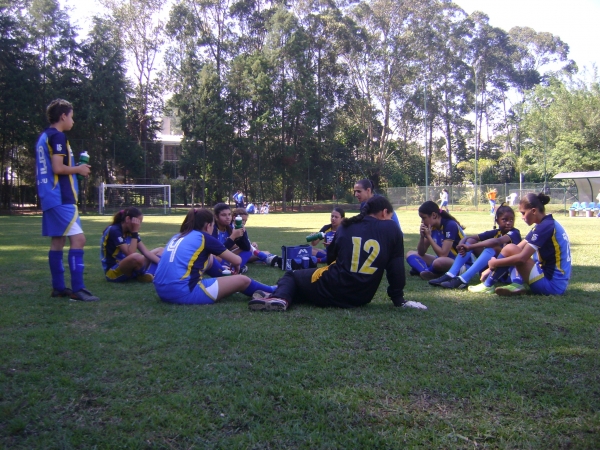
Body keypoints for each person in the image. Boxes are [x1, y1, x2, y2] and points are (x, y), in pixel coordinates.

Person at [248, 196, 427, 311]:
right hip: (362, 297)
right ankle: (278, 294)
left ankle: (279, 298)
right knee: (303, 287)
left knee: (292, 275)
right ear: (385, 212)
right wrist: (398, 299)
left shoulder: (346, 226)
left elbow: (331, 260)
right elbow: (396, 269)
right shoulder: (392, 228)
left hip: (335, 288)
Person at [35, 99, 99, 301]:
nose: (73, 120)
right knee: (79, 239)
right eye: (71, 116)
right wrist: (79, 169)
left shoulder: (44, 136)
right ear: (63, 116)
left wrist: (75, 170)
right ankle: (78, 289)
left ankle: (59, 288)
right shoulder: (58, 136)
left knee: (58, 240)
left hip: (49, 196)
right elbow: (58, 168)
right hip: (61, 196)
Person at [153, 208, 276, 305]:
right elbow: (237, 260)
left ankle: (226, 279)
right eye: (212, 225)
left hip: (161, 291)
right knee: (242, 280)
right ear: (208, 226)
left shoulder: (178, 236)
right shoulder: (204, 237)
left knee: (210, 258)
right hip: (183, 293)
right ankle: (273, 290)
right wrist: (236, 266)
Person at [470, 193, 571, 296]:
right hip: (554, 283)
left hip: (551, 287)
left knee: (511, 249)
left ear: (533, 211)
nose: (522, 217)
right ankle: (506, 284)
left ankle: (489, 285)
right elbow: (517, 248)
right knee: (510, 248)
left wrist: (495, 263)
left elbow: (522, 258)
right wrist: (490, 269)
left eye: (523, 213)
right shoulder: (547, 223)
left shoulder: (544, 227)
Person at [427, 204, 522, 289]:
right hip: (492, 267)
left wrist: (470, 247)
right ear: (497, 221)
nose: (509, 222)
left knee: (492, 247)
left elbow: (496, 241)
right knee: (471, 241)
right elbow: (471, 237)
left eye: (511, 219)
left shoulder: (514, 233)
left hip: (506, 272)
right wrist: (462, 242)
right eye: (505, 219)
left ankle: (463, 279)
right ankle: (451, 274)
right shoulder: (497, 232)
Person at [406, 200, 465, 280]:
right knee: (410, 253)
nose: (422, 221)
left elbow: (443, 254)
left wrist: (429, 237)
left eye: (424, 218)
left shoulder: (449, 225)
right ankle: (426, 272)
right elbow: (421, 252)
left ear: (434, 215)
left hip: (461, 263)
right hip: (443, 260)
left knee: (438, 262)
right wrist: (422, 237)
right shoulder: (432, 226)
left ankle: (428, 271)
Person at [100, 207, 164, 282]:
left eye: (139, 223)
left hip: (130, 266)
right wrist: (135, 233)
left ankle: (148, 274)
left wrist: (163, 264)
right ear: (127, 219)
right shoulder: (114, 230)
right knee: (136, 257)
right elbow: (130, 253)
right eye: (137, 222)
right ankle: (145, 274)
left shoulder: (131, 232)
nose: (138, 226)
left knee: (160, 250)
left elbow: (146, 252)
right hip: (113, 271)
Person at [211, 203, 252, 274]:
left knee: (249, 251)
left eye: (229, 214)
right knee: (214, 257)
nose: (228, 217)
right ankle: (233, 268)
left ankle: (231, 268)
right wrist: (233, 236)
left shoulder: (229, 228)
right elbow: (216, 251)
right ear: (216, 217)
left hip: (225, 256)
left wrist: (243, 232)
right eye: (224, 215)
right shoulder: (212, 229)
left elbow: (246, 247)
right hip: (215, 256)